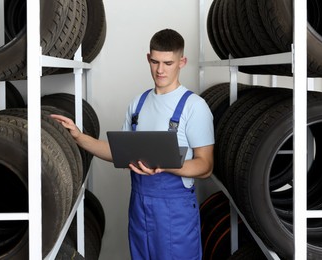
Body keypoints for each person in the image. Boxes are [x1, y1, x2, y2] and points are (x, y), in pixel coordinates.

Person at [51, 28, 214, 260]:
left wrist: (165, 165)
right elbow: (119, 152)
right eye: (155, 61)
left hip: (175, 212)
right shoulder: (138, 104)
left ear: (182, 62)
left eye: (168, 63)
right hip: (139, 207)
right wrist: (79, 136)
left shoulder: (194, 107)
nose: (160, 70)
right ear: (148, 58)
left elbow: (205, 166)